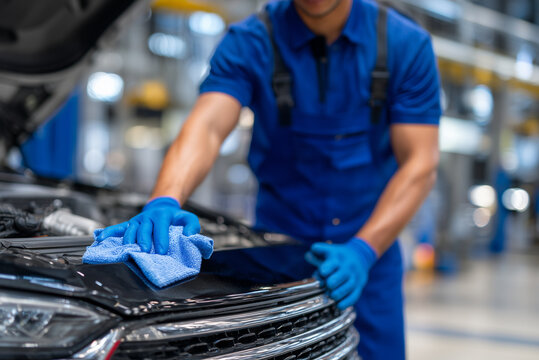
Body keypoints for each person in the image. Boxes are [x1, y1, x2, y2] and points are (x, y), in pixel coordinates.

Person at [98, 0, 440, 358]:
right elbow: (208, 127)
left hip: (370, 256)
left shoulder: (405, 45)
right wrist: (165, 199)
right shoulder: (251, 41)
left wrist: (364, 250)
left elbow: (420, 164)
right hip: (278, 253)